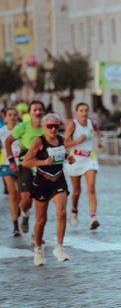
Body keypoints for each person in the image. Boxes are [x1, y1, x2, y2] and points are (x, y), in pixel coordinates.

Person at [22, 114, 76, 266]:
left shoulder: (61, 140)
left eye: (55, 126)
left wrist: (68, 158)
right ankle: (38, 249)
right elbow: (26, 162)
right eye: (49, 126)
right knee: (41, 220)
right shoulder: (39, 141)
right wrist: (43, 162)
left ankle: (59, 247)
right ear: (44, 127)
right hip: (42, 181)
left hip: (58, 178)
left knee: (62, 212)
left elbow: (61, 155)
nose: (53, 129)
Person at [4, 100, 45, 236]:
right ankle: (24, 213)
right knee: (26, 198)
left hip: (42, 167)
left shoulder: (47, 126)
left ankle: (37, 233)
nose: (38, 112)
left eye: (40, 110)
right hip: (25, 165)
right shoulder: (23, 126)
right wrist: (11, 160)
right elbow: (8, 141)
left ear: (43, 112)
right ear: (30, 112)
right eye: (35, 110)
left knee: (40, 199)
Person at [64, 103, 103, 229]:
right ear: (76, 112)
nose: (84, 113)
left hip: (89, 159)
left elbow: (97, 130)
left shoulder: (92, 123)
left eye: (86, 110)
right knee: (76, 191)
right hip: (75, 159)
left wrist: (99, 140)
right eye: (81, 111)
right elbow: (64, 143)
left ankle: (93, 217)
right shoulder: (73, 125)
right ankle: (74, 211)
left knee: (91, 188)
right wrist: (77, 141)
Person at [0, 108, 22, 236]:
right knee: (12, 193)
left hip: (22, 164)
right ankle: (15, 226)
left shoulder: (21, 129)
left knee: (21, 194)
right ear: (5, 117)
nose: (12, 117)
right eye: (10, 115)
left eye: (14, 115)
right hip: (7, 164)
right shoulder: (2, 132)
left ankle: (19, 208)